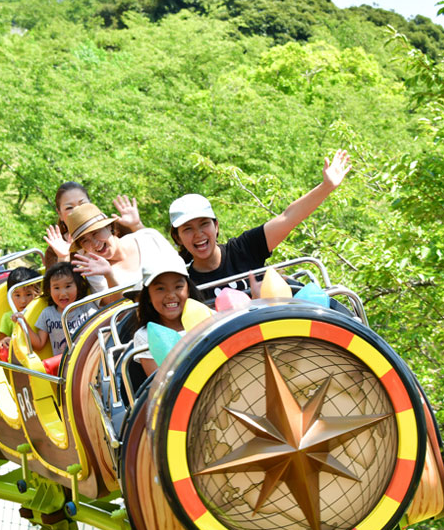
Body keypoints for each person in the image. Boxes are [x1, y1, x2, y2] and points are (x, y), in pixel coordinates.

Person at [169, 149, 352, 296]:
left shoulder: (243, 249)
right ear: (178, 237)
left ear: (216, 226)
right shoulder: (185, 285)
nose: (199, 234)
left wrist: (326, 187)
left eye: (204, 224)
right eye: (188, 229)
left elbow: (288, 217)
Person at [66, 203, 179, 303]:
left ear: (109, 226)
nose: (95, 244)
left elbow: (181, 269)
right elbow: (115, 311)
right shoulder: (94, 271)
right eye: (85, 241)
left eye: (95, 233)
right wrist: (109, 275)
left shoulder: (147, 237)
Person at [131, 253, 206, 375]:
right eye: (161, 288)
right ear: (148, 295)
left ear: (188, 289)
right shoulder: (144, 336)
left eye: (178, 286)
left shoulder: (207, 317)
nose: (171, 295)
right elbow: (159, 384)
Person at [44, 182, 143, 267]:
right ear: (60, 213)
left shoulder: (118, 226)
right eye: (69, 208)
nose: (78, 210)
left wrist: (136, 225)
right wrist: (63, 258)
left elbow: (147, 250)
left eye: (82, 204)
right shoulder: (54, 250)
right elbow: (56, 285)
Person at [20, 262, 95, 356]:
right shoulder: (47, 313)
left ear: (78, 287)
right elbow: (39, 344)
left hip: (86, 358)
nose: (63, 293)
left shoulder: (86, 307)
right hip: (62, 365)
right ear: (49, 290)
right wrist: (23, 323)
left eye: (68, 286)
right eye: (56, 288)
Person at [0, 266, 42, 353]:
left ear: (37, 294)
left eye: (28, 294)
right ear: (9, 296)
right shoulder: (8, 317)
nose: (23, 301)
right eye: (17, 295)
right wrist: (4, 341)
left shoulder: (41, 313)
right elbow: (0, 340)